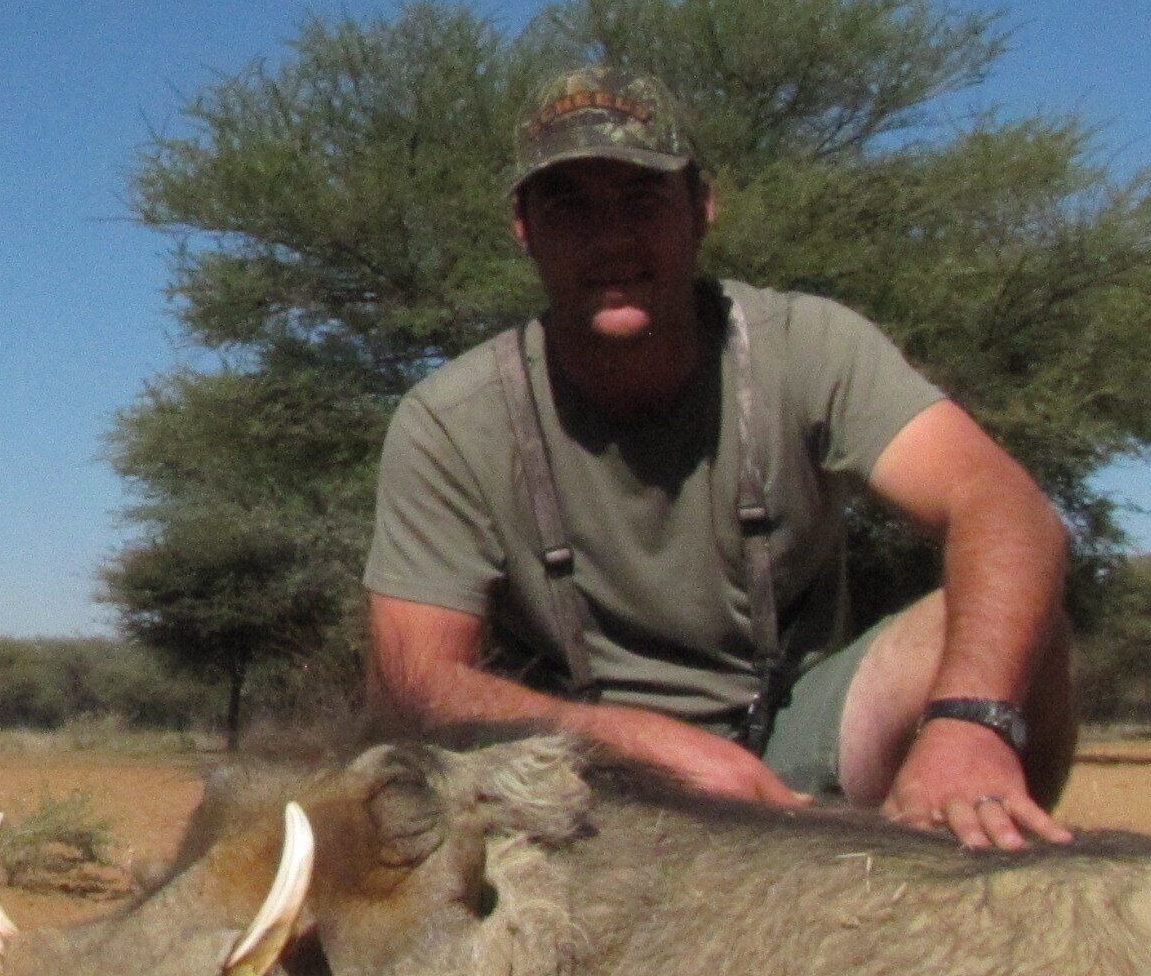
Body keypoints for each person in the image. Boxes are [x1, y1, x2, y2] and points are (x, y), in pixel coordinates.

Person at [362, 68, 1077, 851]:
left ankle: (981, 899)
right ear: (524, 228)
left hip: (798, 758)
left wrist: (969, 723)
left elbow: (1001, 502)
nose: (610, 241)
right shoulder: (446, 421)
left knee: (1003, 618)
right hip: (574, 782)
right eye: (568, 206)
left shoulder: (812, 345)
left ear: (701, 210)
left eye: (643, 200)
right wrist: (634, 745)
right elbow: (413, 683)